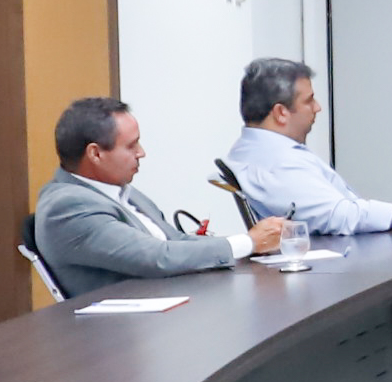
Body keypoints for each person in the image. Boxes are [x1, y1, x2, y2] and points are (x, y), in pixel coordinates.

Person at [36, 96, 287, 296]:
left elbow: (176, 240)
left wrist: (250, 245)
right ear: (96, 154)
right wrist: (248, 242)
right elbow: (157, 257)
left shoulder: (121, 191)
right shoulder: (68, 206)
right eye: (131, 145)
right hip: (120, 333)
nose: (141, 153)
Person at [226, 59, 392, 234]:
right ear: (281, 113)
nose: (318, 108)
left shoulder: (255, 149)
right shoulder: (275, 160)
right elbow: (342, 216)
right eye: (309, 101)